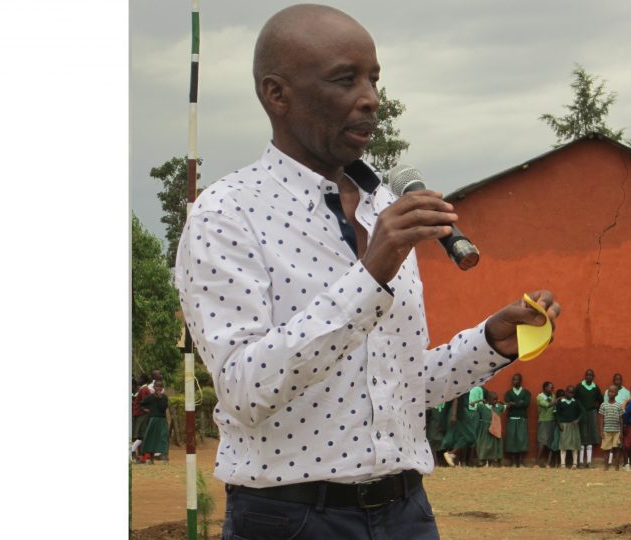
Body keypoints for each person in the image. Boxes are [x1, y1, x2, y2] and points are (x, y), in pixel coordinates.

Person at [174, 5, 561, 537]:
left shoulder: (384, 209)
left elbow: (402, 386)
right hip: (290, 519)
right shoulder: (226, 213)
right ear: (277, 94)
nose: (371, 98)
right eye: (345, 79)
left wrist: (490, 343)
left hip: (407, 513)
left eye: (374, 79)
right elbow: (244, 390)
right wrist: (371, 272)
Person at [573, 369, 604, 468]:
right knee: (583, 435)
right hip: (582, 413)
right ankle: (581, 462)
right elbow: (575, 398)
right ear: (585, 376)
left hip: (592, 413)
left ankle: (589, 462)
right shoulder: (579, 387)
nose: (588, 377)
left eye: (590, 375)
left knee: (591, 435)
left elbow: (601, 400)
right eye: (587, 375)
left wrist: (596, 409)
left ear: (593, 377)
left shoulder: (595, 388)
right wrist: (579, 409)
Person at [138, 380, 170, 464]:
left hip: (162, 420)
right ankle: (151, 459)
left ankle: (165, 457)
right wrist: (146, 410)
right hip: (152, 420)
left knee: (163, 438)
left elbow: (163, 408)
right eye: (157, 386)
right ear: (154, 387)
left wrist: (159, 398)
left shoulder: (164, 397)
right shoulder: (150, 397)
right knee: (151, 438)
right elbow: (141, 404)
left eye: (160, 386)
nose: (158, 388)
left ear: (162, 388)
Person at [503, 373, 530, 468]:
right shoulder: (508, 393)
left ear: (520, 381)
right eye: (513, 379)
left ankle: (520, 462)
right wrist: (519, 403)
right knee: (512, 440)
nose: (514, 381)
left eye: (517, 379)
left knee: (521, 439)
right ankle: (513, 462)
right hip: (512, 419)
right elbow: (507, 405)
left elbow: (526, 404)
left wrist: (513, 403)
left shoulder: (526, 392)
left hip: (522, 418)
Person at [555, 386, 584, 469]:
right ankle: (563, 464)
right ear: (566, 392)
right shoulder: (561, 402)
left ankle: (574, 464)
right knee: (563, 444)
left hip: (573, 425)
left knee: (574, 444)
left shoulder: (576, 402)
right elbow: (557, 414)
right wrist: (559, 423)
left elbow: (583, 412)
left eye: (572, 393)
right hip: (564, 425)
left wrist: (578, 420)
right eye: (569, 392)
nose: (570, 394)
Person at [475, 390, 505, 467]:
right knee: (484, 444)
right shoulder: (482, 407)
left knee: (495, 444)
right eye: (493, 399)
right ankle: (482, 460)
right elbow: (471, 405)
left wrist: (502, 402)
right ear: (488, 399)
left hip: (495, 429)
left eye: (496, 399)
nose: (495, 401)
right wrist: (480, 400)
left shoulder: (498, 407)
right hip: (485, 429)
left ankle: (494, 460)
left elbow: (506, 406)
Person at [598, 384, 624, 471]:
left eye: (612, 392)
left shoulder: (619, 405)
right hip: (606, 430)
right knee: (606, 449)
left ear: (616, 394)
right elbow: (601, 419)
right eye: (609, 391)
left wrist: (621, 432)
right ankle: (606, 466)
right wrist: (601, 430)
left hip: (617, 431)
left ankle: (617, 467)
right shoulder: (603, 405)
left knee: (617, 449)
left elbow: (621, 419)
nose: (610, 393)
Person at [130, 373, 153, 458]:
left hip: (141, 414)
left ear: (143, 380)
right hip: (140, 414)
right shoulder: (143, 389)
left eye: (139, 378)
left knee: (141, 435)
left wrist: (145, 410)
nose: (138, 380)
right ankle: (134, 451)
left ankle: (135, 451)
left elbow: (144, 402)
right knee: (140, 435)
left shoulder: (144, 390)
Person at [535, 381, 556, 467]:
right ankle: (537, 462)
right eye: (551, 387)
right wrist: (557, 400)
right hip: (543, 421)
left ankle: (548, 463)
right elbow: (547, 405)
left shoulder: (553, 395)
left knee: (551, 442)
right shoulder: (539, 397)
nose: (552, 389)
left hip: (552, 420)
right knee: (542, 442)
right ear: (545, 388)